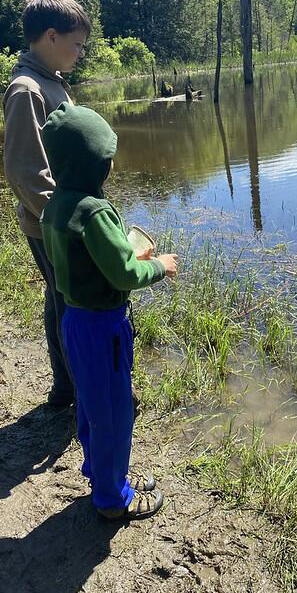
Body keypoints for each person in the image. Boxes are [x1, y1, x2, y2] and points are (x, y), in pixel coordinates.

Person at [40, 101, 178, 520]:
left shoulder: (53, 206)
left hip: (75, 323)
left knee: (92, 405)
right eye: (107, 158)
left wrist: (124, 256)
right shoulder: (94, 212)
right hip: (103, 328)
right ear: (94, 164)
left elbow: (88, 264)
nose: (112, 165)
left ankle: (103, 471)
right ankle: (112, 498)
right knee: (115, 412)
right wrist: (156, 264)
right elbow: (122, 274)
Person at [3, 0, 90, 406]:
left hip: (59, 220)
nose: (80, 53)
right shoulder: (27, 90)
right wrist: (71, 224)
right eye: (76, 44)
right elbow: (25, 173)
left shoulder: (50, 82)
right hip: (51, 224)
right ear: (51, 37)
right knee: (70, 301)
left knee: (60, 298)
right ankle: (75, 388)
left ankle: (66, 388)